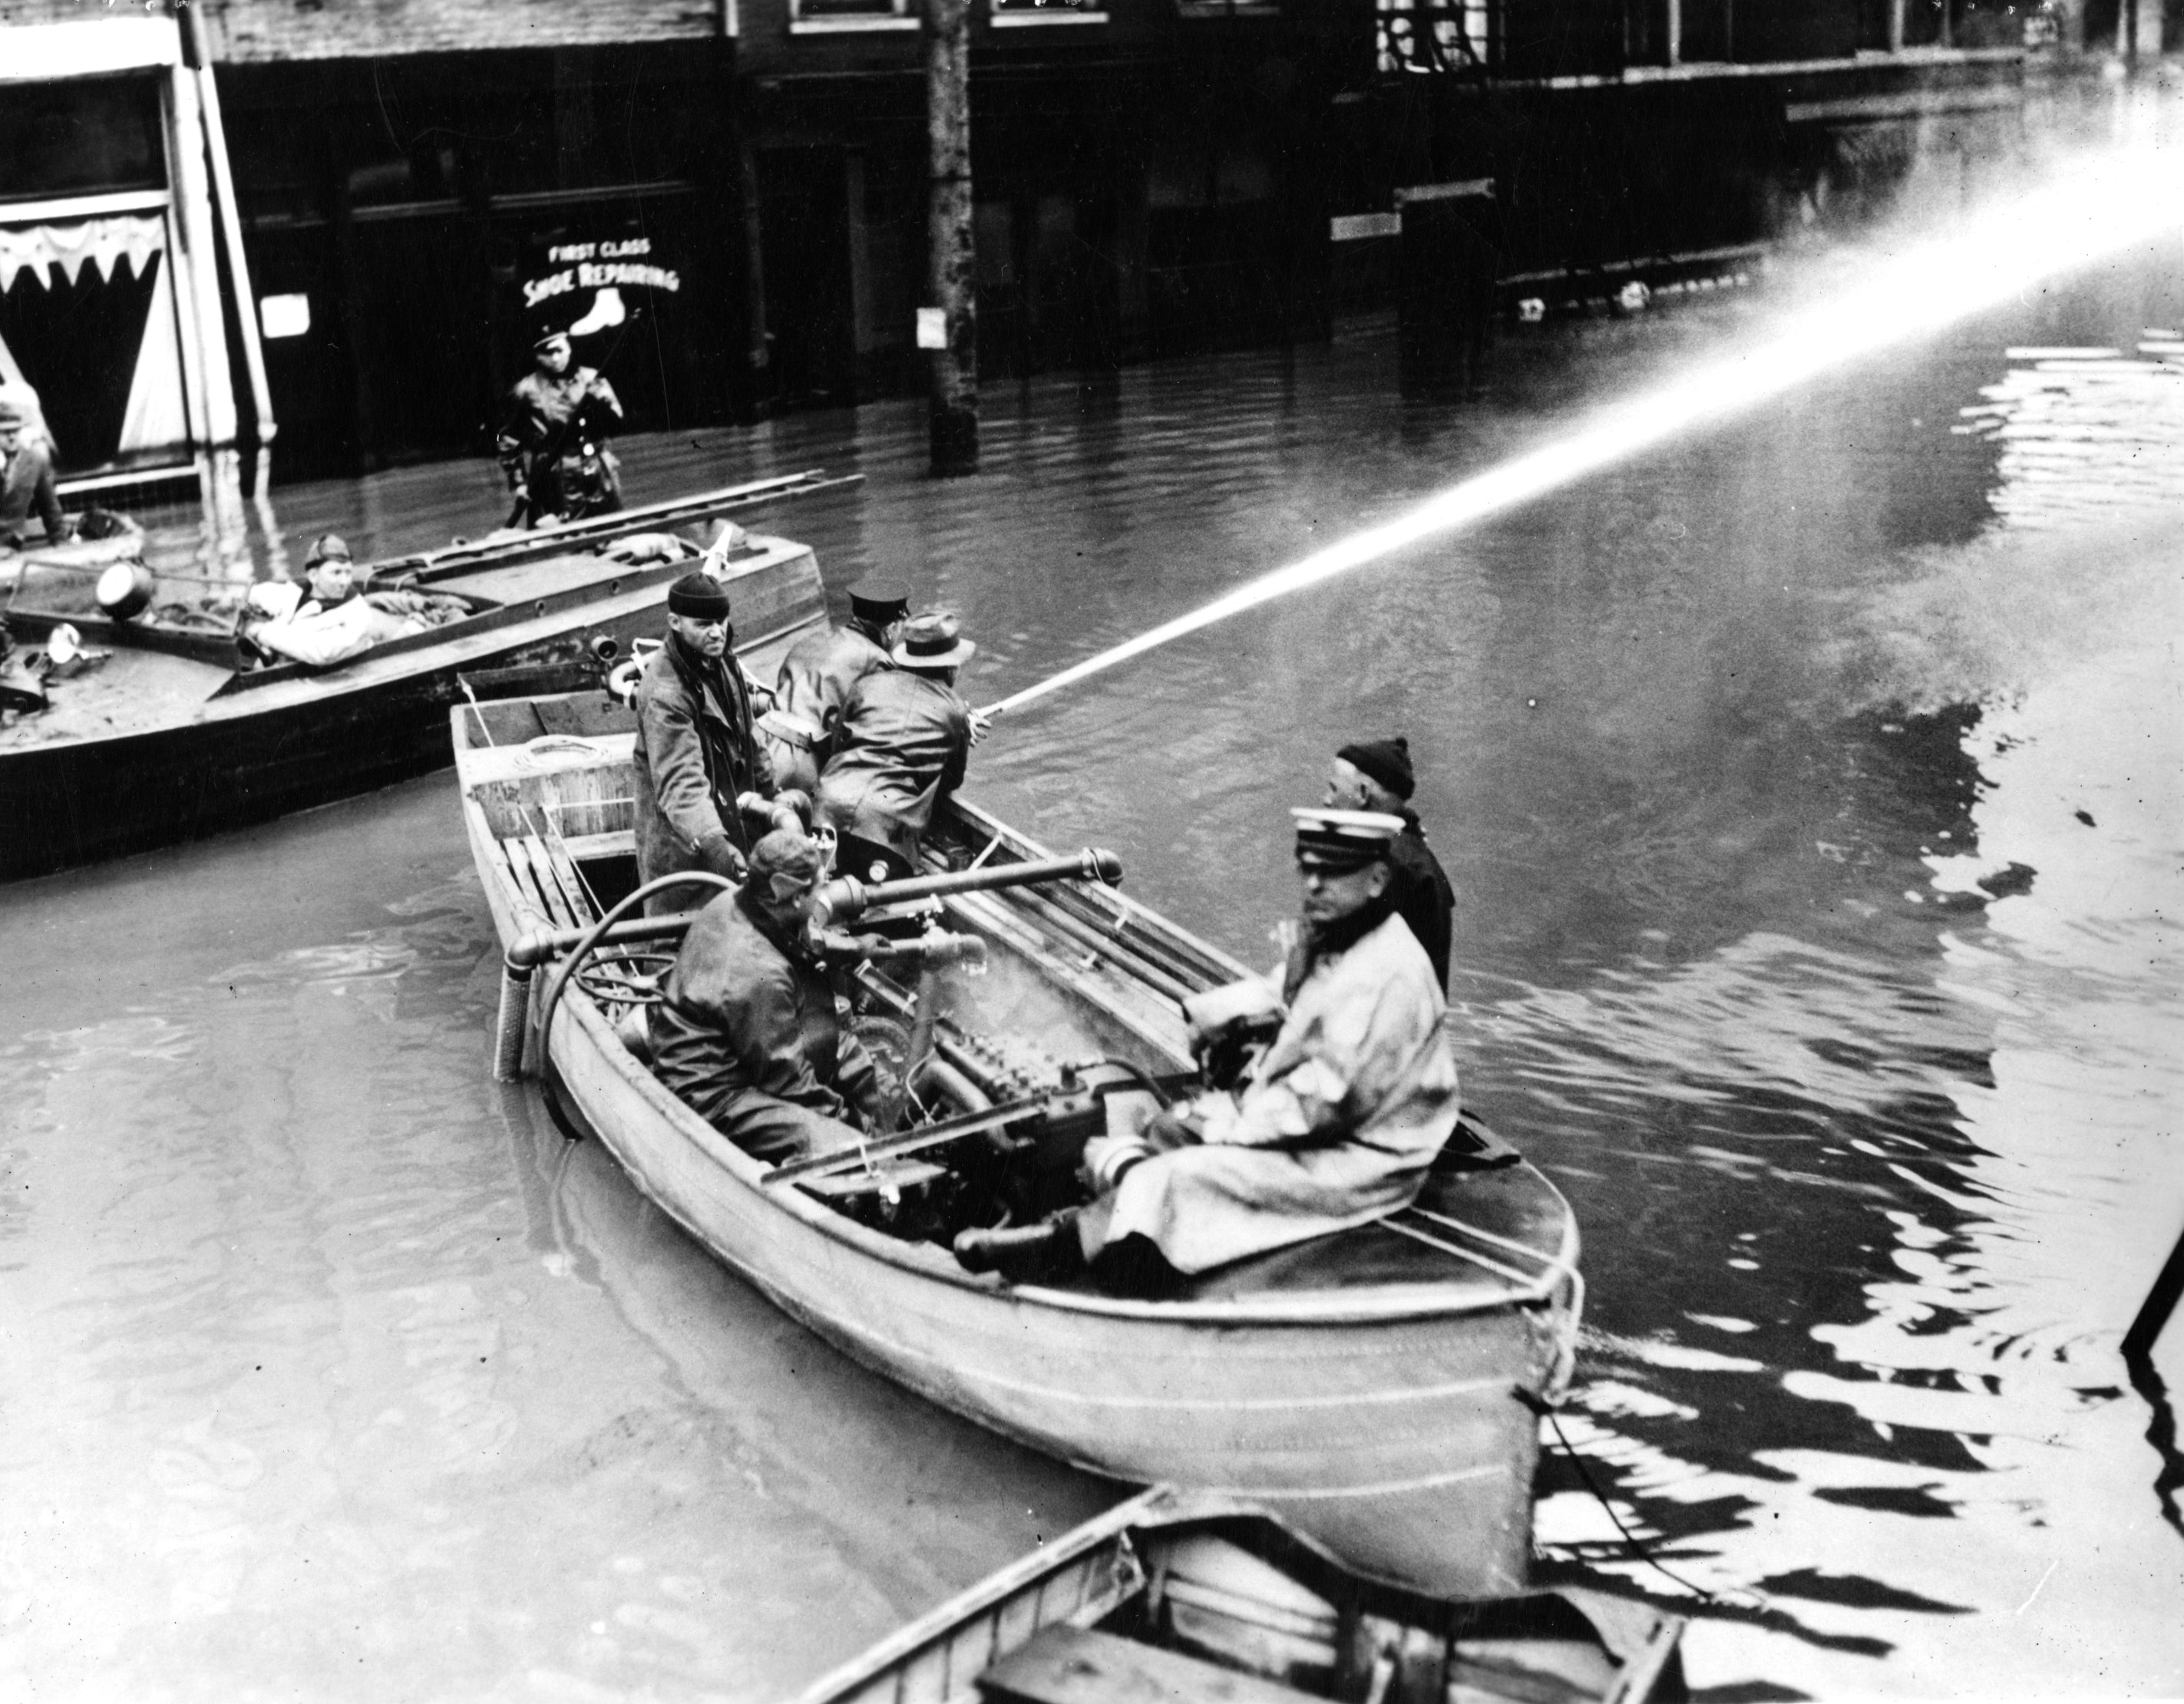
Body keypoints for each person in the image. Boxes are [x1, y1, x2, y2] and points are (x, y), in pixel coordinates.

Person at [955, 807, 1461, 1295]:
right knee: (1171, 1127)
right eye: (1308, 870)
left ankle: (1064, 1247)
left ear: (1375, 880)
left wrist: (1225, 1121)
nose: (1313, 886)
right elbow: (1283, 992)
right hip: (1318, 1118)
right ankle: (1104, 1218)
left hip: (1365, 1155)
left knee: (1184, 1175)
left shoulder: (1387, 973)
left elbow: (1322, 1104)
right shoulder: (1347, 935)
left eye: (1332, 874)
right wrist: (1207, 1018)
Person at [647, 827, 888, 1164]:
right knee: (832, 1142)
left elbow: (803, 940)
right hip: (712, 1090)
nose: (823, 896)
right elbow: (789, 1082)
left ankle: (889, 1133)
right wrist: (855, 1126)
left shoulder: (735, 901)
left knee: (850, 1056)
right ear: (792, 896)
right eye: (818, 888)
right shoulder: (759, 974)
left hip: (739, 1048)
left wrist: (855, 948)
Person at [632, 571, 805, 909]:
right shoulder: (665, 693)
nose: (717, 632)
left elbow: (750, 740)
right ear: (675, 622)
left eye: (722, 622)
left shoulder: (723, 662)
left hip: (731, 813)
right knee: (682, 935)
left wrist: (772, 800)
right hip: (684, 842)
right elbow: (681, 784)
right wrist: (713, 841)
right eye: (704, 624)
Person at [816, 610, 976, 883]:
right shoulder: (955, 710)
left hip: (825, 812)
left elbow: (836, 746)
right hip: (885, 832)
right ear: (951, 667)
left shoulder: (867, 684)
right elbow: (952, 780)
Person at [1324, 735, 1454, 993]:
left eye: (1333, 789)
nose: (1326, 800)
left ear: (1363, 793)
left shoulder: (1385, 865)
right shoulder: (1411, 849)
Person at [767, 579, 909, 793]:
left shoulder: (815, 638)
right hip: (801, 761)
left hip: (760, 741)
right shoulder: (878, 659)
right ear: (891, 628)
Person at [495, 330, 623, 527]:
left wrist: (596, 406)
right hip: (554, 474)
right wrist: (518, 481)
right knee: (558, 538)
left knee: (611, 530)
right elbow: (507, 439)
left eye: (559, 350)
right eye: (547, 353)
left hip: (597, 469)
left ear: (569, 348)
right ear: (537, 356)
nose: (555, 358)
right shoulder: (527, 390)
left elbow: (616, 421)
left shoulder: (592, 379)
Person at [0, 395, 68, 550]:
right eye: (4, 432)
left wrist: (62, 545)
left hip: (11, 545)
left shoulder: (35, 461)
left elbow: (50, 508)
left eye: (15, 431)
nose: (12, 437)